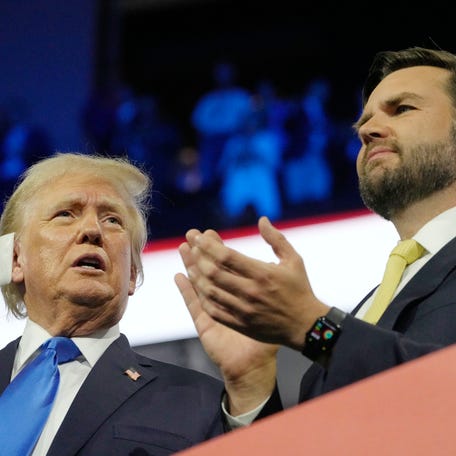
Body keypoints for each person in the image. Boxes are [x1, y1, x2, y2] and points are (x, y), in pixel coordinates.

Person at [175, 46, 456, 425]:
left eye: (402, 108)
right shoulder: (368, 309)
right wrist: (252, 383)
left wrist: (309, 324)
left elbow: (439, 395)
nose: (367, 131)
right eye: (363, 124)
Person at [0, 152, 226, 455]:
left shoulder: (199, 400)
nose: (92, 231)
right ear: (15, 259)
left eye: (112, 220)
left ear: (131, 274)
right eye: (66, 214)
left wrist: (253, 384)